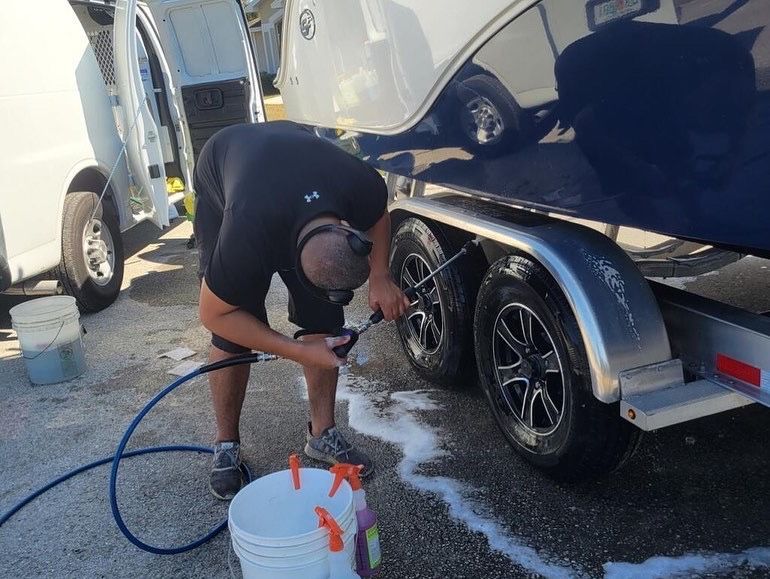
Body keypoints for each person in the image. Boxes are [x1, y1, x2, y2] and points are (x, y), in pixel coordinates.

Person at [194, 121, 410, 500]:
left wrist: (380, 275)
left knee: (325, 322)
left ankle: (322, 434)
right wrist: (295, 350)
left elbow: (378, 214)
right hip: (225, 167)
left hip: (290, 155)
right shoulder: (245, 235)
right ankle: (226, 443)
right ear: (290, 258)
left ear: (347, 229)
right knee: (231, 336)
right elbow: (214, 313)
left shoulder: (357, 182)